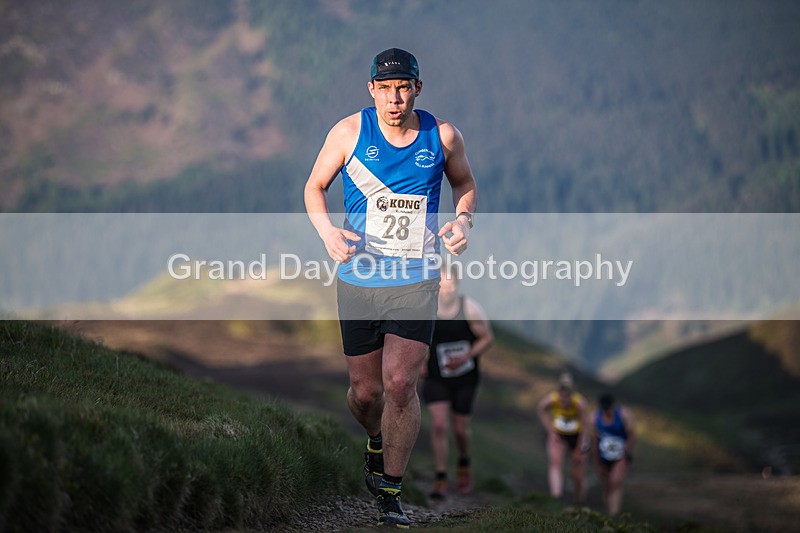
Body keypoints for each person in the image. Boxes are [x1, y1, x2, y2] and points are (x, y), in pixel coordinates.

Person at [304, 47, 478, 528]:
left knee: (400, 384)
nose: (394, 98)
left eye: (403, 87)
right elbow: (314, 187)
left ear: (417, 89)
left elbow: (464, 184)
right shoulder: (348, 132)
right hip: (359, 278)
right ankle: (375, 441)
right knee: (365, 393)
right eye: (385, 89)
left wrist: (463, 221)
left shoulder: (441, 136)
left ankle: (390, 493)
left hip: (416, 277)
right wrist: (327, 233)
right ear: (372, 91)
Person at [421, 264, 494, 499]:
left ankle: (464, 465)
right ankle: (440, 478)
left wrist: (466, 356)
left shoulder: (469, 308)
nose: (447, 288)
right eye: (442, 283)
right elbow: (418, 338)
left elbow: (487, 338)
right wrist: (420, 362)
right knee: (440, 424)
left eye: (450, 283)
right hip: (436, 376)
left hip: (465, 377)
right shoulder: (427, 308)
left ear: (457, 283)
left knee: (461, 429)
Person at [536, 372, 589, 504]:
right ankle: (556, 497)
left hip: (577, 437)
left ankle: (579, 501)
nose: (563, 401)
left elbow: (585, 426)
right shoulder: (552, 399)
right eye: (561, 397)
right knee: (555, 464)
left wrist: (580, 446)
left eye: (567, 398)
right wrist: (550, 429)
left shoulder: (579, 403)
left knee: (577, 474)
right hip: (559, 434)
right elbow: (541, 409)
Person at [592, 393, 636, 516]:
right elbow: (593, 440)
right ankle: (608, 512)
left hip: (620, 455)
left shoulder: (623, 415)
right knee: (607, 485)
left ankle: (614, 514)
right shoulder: (595, 418)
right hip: (603, 456)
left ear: (613, 405)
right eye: (604, 409)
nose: (607, 411)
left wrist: (625, 452)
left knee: (615, 482)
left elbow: (632, 435)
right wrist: (597, 461)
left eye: (609, 408)